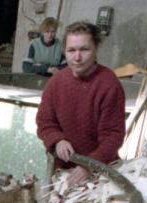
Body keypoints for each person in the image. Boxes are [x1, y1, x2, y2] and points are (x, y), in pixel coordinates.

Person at [36, 21, 125, 188]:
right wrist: (57, 140)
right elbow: (45, 121)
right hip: (63, 172)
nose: (77, 57)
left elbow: (113, 136)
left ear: (96, 48)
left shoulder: (109, 84)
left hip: (100, 171)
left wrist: (89, 165)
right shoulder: (56, 82)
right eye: (71, 50)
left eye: (84, 49)